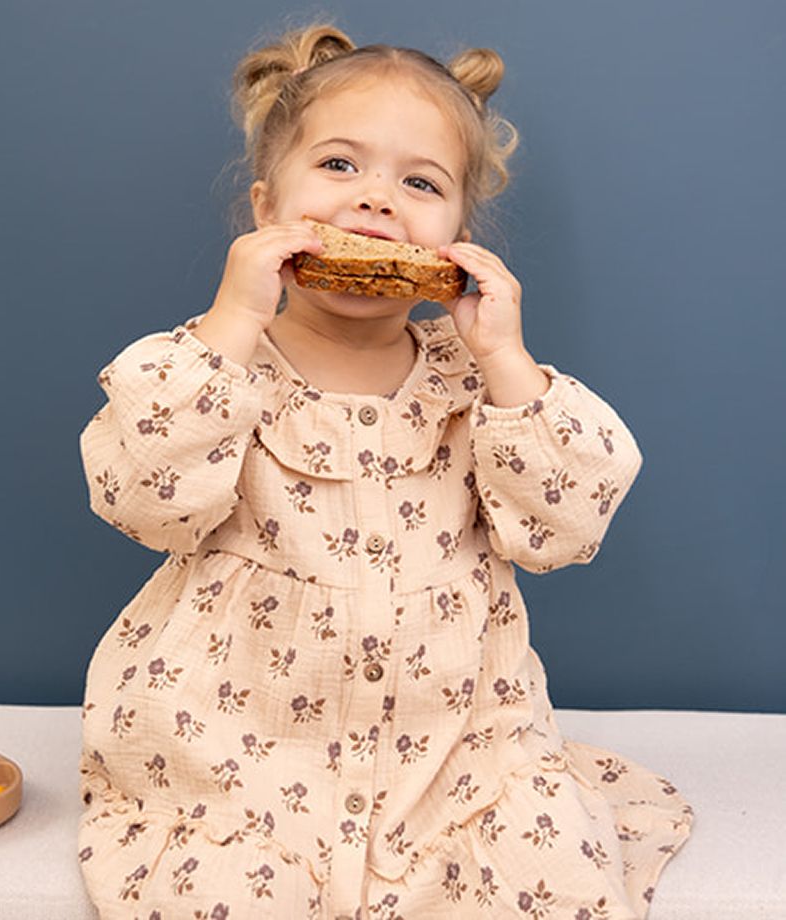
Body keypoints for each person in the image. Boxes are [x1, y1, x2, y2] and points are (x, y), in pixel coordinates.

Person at [76, 22, 694, 920]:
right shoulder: (211, 367)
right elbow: (146, 502)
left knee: (553, 882)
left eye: (420, 183)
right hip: (243, 748)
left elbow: (564, 532)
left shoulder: (476, 383)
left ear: (458, 236)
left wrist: (509, 361)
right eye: (338, 167)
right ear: (263, 208)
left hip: (452, 756)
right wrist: (229, 320)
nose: (376, 203)